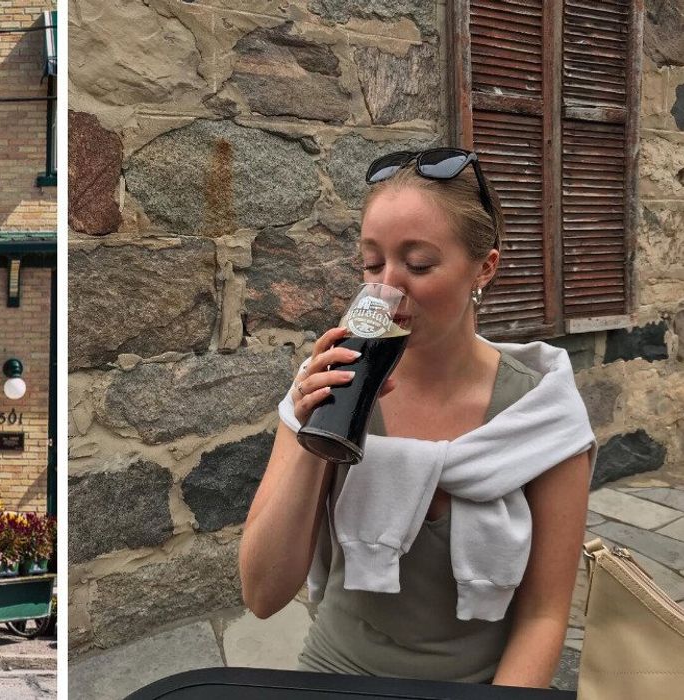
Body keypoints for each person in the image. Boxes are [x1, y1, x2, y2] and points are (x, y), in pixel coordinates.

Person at [239, 148, 596, 687]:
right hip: (337, 674)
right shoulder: (326, 385)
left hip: (475, 687)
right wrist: (317, 436)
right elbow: (262, 595)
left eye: (419, 264)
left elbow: (544, 617)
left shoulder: (541, 416)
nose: (389, 287)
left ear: (485, 267)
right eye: (372, 263)